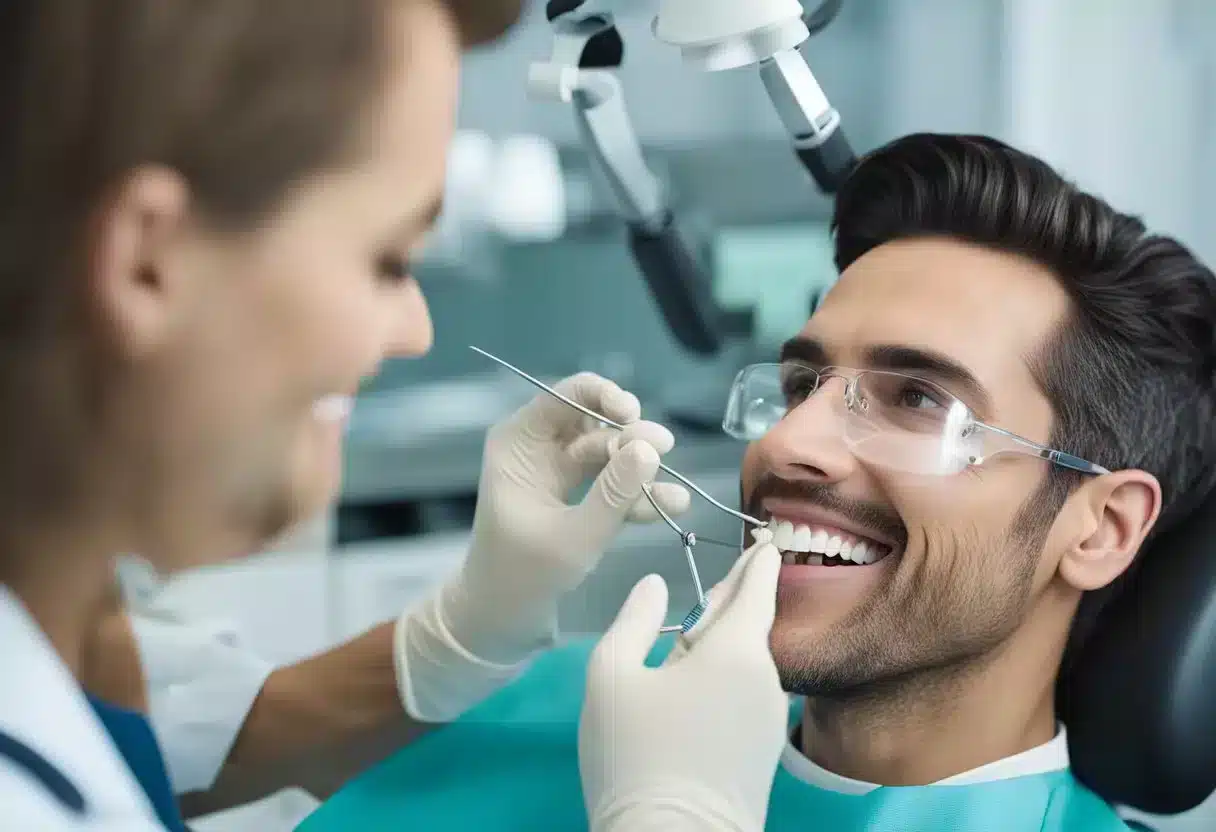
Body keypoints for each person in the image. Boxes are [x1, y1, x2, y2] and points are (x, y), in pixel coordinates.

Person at [0, 1, 787, 829]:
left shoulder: (66, 649)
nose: (416, 331)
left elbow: (179, 732)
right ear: (147, 263)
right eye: (389, 260)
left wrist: (464, 633)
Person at [295, 131, 1216, 832]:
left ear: (1100, 527)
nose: (792, 442)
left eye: (919, 401)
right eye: (802, 385)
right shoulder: (583, 704)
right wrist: (461, 641)